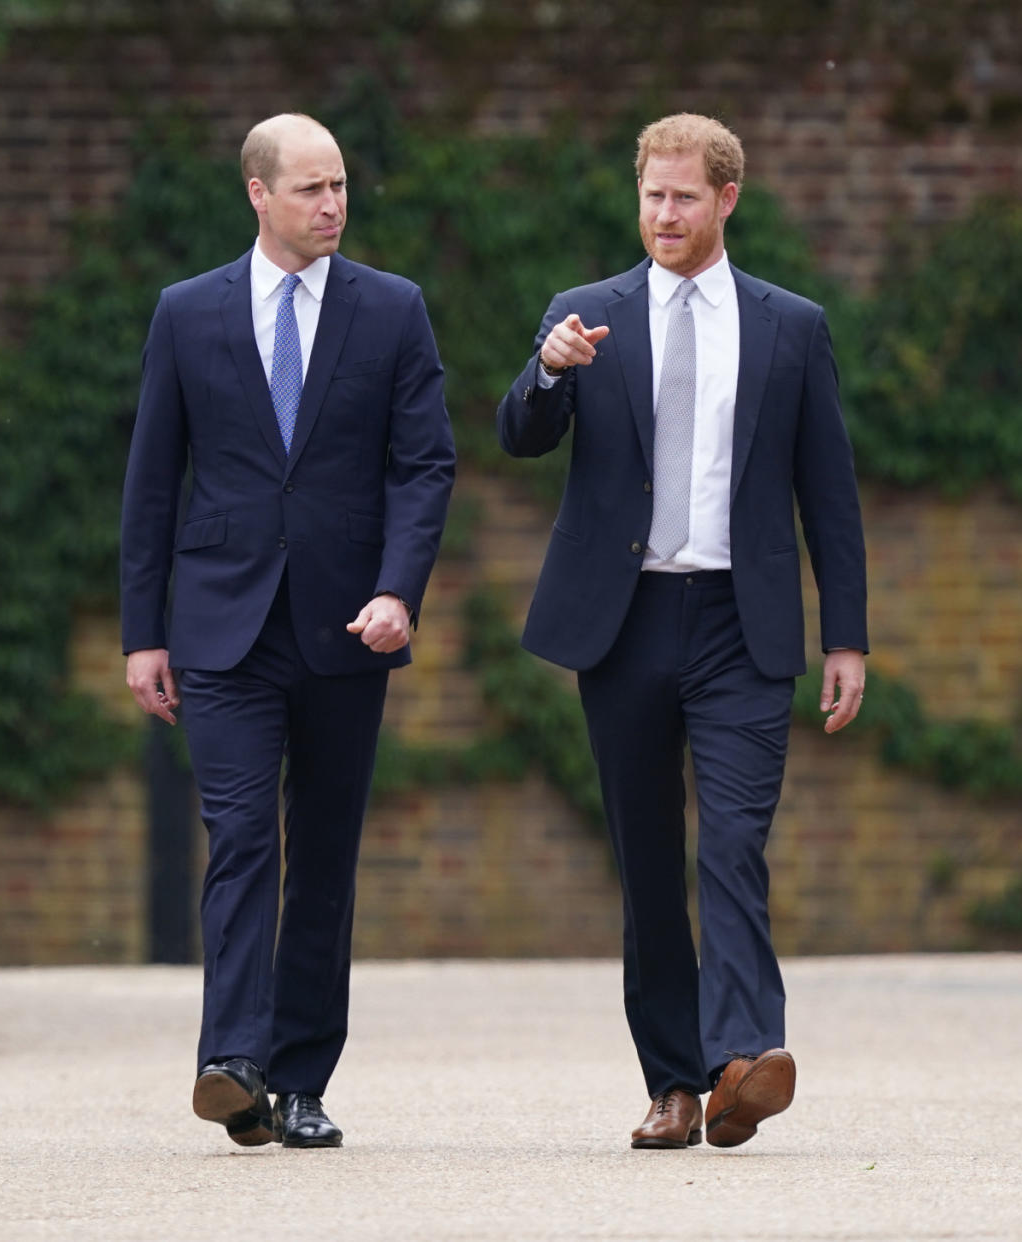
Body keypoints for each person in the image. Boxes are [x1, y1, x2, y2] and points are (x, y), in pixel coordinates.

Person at [497, 114, 867, 1150]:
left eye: (685, 197)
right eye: (653, 195)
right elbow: (518, 434)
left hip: (741, 624)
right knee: (650, 857)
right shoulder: (585, 316)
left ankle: (747, 1058)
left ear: (727, 200)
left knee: (737, 843)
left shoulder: (790, 325)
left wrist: (847, 637)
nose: (665, 214)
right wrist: (549, 370)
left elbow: (828, 495)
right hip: (624, 624)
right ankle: (673, 1081)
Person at [121, 113, 455, 1149]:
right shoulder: (187, 314)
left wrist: (400, 590)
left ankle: (301, 1079)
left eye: (341, 184)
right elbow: (151, 482)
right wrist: (144, 631)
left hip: (348, 630)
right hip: (221, 629)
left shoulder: (393, 310)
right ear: (258, 195)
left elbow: (425, 466)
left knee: (324, 854)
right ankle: (232, 1060)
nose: (333, 205)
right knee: (242, 837)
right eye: (311, 188)